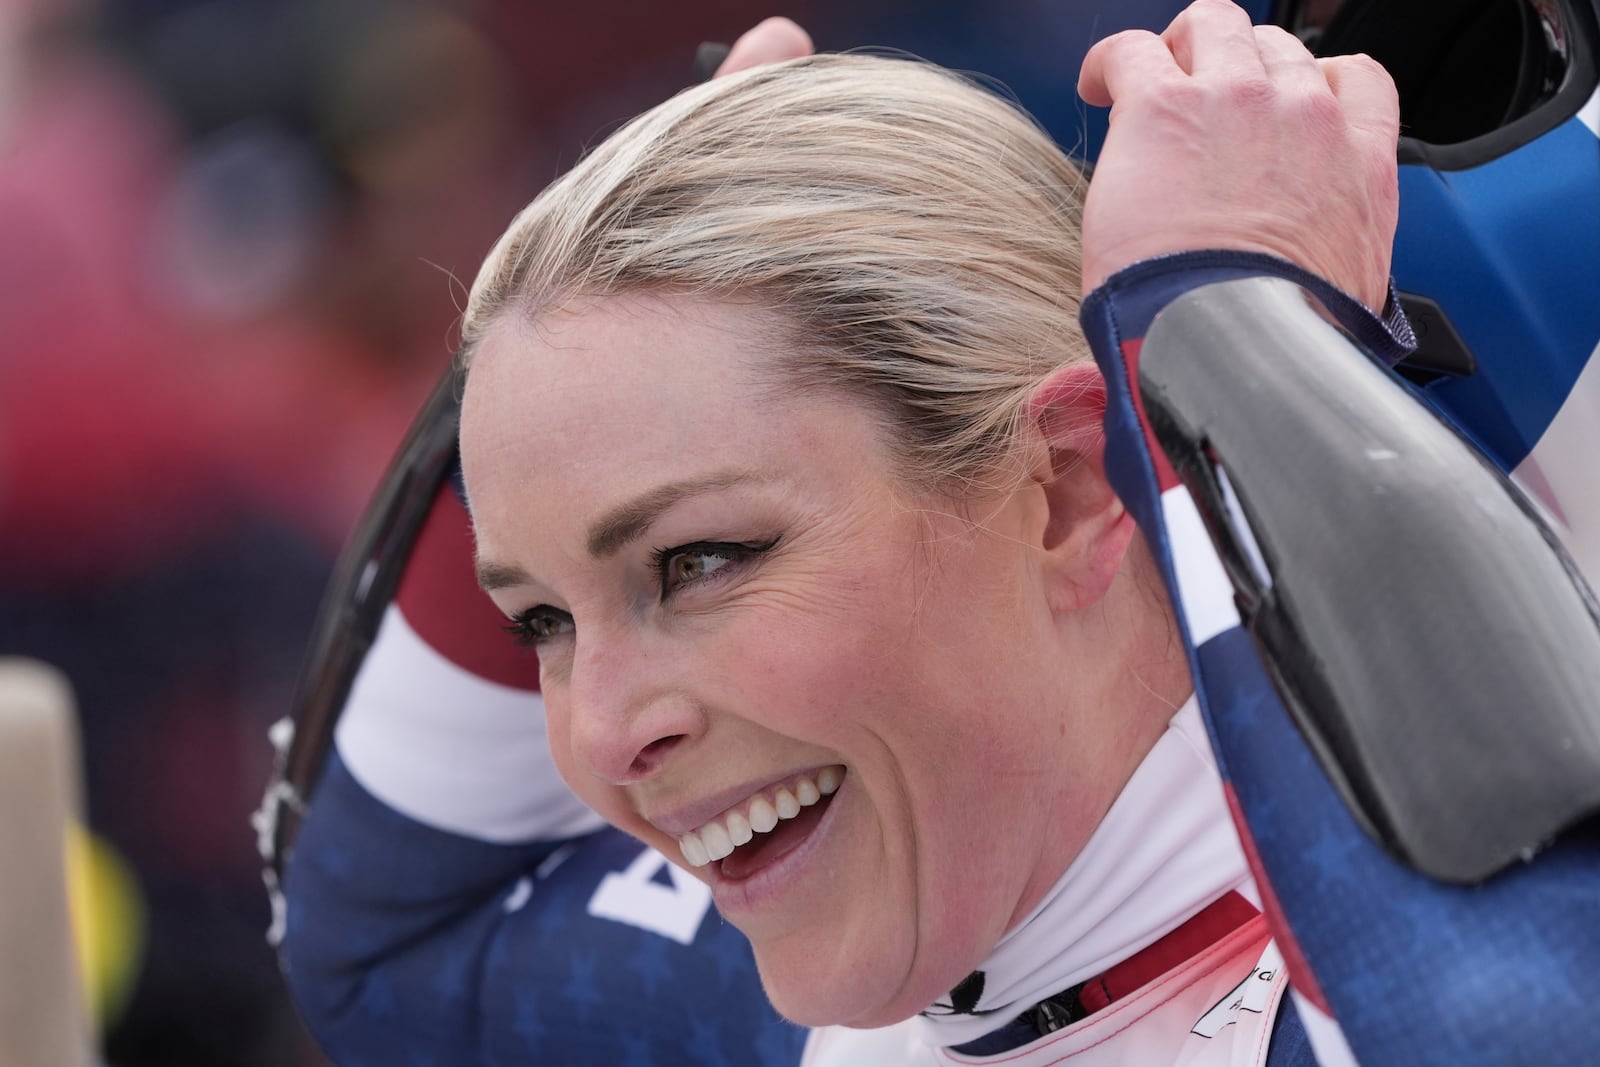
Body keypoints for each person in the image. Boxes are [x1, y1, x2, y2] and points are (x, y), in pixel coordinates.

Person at [274, 3, 1600, 1065]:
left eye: (698, 562)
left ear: (1073, 494)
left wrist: (1217, 336)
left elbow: (1506, 1018)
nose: (605, 740)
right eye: (542, 623)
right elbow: (376, 939)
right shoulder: (798, 1010)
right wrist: (596, 270)